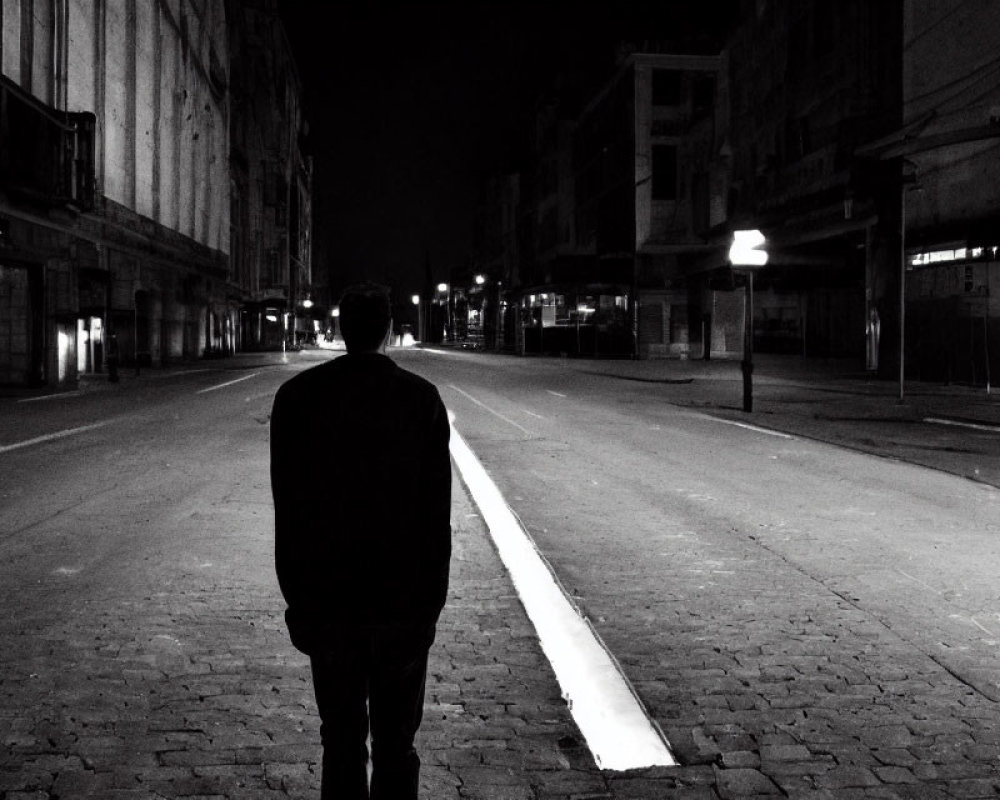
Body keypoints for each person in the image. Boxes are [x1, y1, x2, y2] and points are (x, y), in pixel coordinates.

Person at [269, 281, 452, 799]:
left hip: (329, 605)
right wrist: (429, 606)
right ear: (389, 332)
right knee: (396, 746)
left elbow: (290, 509)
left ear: (342, 329)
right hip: (400, 605)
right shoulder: (421, 400)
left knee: (341, 743)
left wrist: (298, 601)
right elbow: (436, 516)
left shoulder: (297, 398)